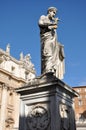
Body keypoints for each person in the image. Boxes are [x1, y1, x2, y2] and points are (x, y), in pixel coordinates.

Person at [38, 7, 65, 79]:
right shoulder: (43, 17)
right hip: (46, 39)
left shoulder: (52, 23)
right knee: (46, 53)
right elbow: (40, 23)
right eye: (53, 12)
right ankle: (46, 71)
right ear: (49, 11)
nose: (54, 14)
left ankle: (50, 70)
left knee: (52, 56)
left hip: (53, 42)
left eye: (55, 13)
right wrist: (51, 24)